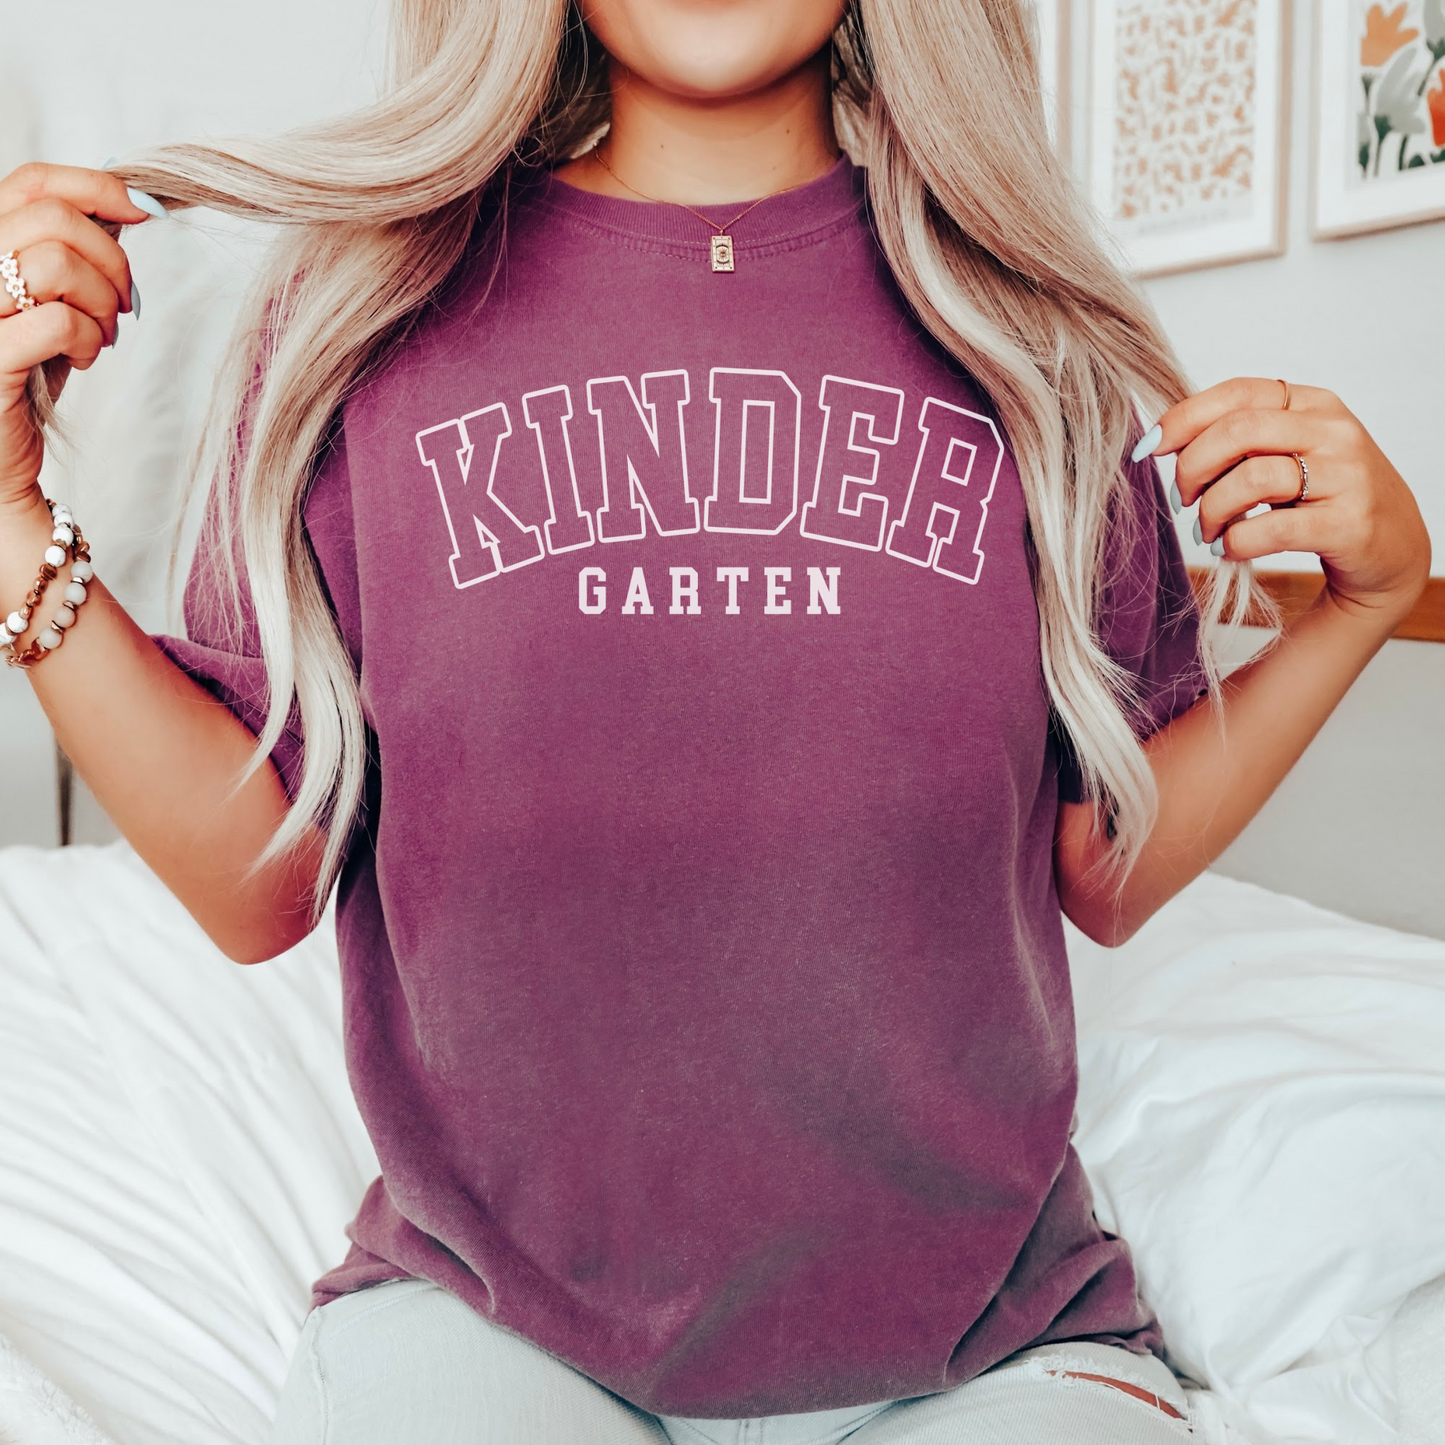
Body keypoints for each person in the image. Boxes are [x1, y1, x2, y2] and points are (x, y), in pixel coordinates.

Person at [0, 0, 1430, 1441]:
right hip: (493, 1328)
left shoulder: (1029, 333)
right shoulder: (360, 308)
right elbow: (264, 883)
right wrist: (7, 517)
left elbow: (1099, 869)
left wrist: (1365, 606)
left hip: (991, 1345)